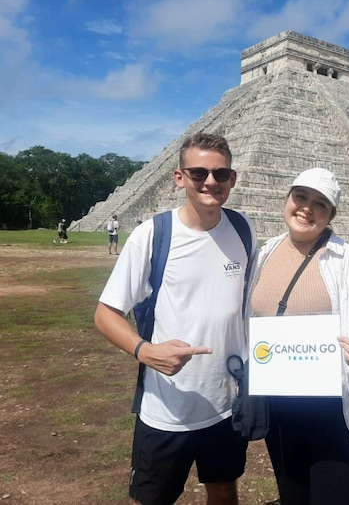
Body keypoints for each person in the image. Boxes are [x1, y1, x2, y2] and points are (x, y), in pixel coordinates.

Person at [94, 133, 256, 505]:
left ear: (233, 178)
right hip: (168, 405)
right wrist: (144, 350)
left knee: (224, 489)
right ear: (179, 177)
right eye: (198, 173)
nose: (210, 182)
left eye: (221, 173)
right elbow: (106, 313)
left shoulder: (244, 230)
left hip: (226, 401)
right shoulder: (152, 235)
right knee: (153, 498)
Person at [247, 168, 349, 505]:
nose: (306, 208)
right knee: (292, 496)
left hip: (333, 410)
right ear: (287, 199)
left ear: (330, 215)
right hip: (279, 408)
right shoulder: (263, 254)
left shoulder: (348, 260)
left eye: (320, 204)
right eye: (300, 197)